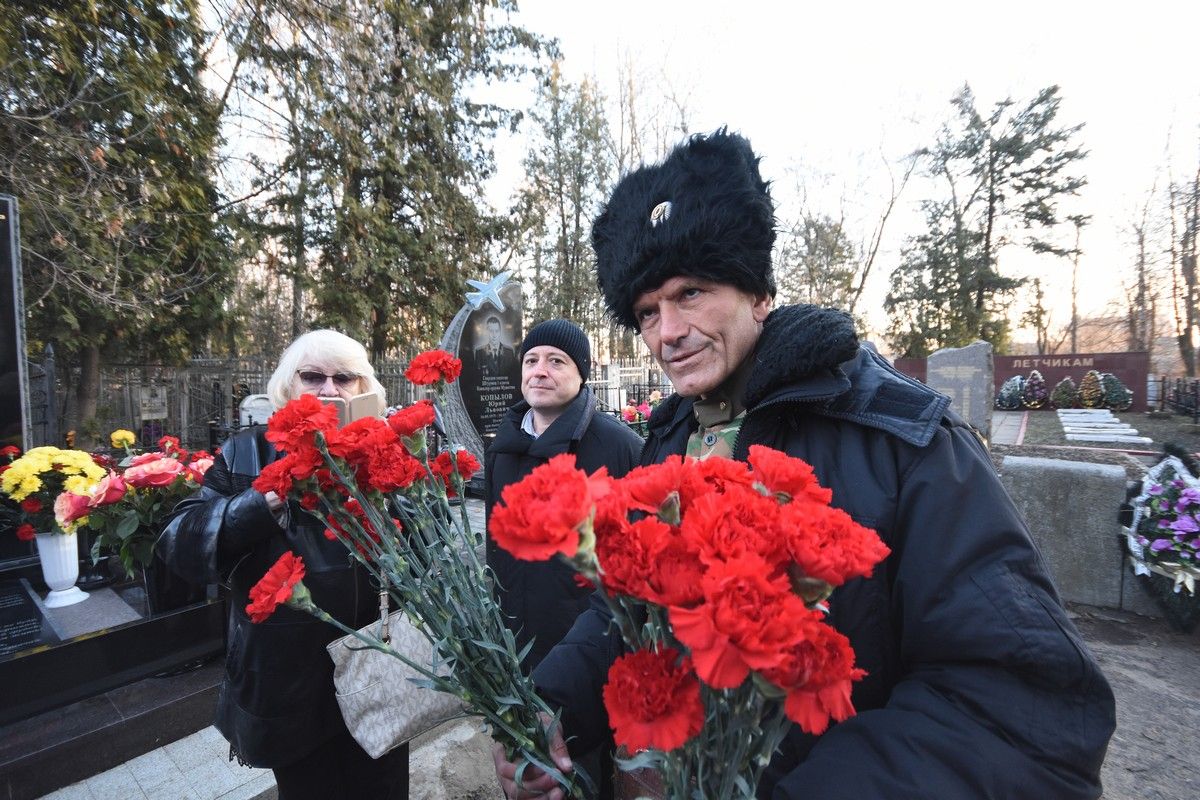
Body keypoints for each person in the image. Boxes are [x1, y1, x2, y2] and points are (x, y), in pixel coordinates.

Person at [493, 129, 1116, 799]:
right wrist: (556, 702)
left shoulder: (903, 441)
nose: (667, 332)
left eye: (693, 293)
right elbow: (632, 608)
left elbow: (1024, 714)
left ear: (759, 294)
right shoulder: (671, 434)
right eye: (648, 310)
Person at [159, 329, 407, 800]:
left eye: (345, 378)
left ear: (364, 390)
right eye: (313, 376)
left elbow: (427, 548)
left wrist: (395, 491)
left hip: (377, 666)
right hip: (286, 678)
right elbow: (179, 541)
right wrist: (260, 505)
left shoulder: (379, 447)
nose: (329, 389)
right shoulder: (246, 452)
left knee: (383, 788)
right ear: (288, 386)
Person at [485, 318, 643, 671]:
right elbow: (496, 547)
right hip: (515, 641)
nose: (540, 371)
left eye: (556, 361)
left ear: (581, 374)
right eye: (531, 360)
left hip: (587, 645)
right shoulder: (501, 449)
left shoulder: (620, 447)